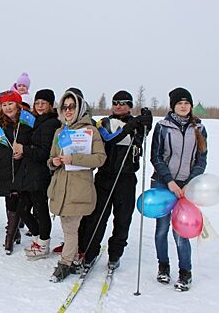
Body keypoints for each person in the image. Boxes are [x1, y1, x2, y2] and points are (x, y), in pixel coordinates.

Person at [78, 90, 152, 270]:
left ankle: (115, 254)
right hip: (105, 177)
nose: (118, 106)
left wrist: (146, 124)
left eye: (123, 102)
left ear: (129, 105)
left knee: (123, 219)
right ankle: (90, 252)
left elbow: (141, 137)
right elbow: (110, 138)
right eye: (115, 102)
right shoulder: (103, 122)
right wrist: (132, 125)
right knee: (96, 217)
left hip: (126, 178)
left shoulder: (137, 124)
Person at [151, 87, 207, 292]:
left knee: (181, 232)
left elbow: (202, 159)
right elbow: (155, 157)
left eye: (186, 103)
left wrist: (189, 183)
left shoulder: (199, 129)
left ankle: (185, 272)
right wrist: (170, 181)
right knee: (162, 229)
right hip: (163, 183)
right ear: (173, 106)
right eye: (179, 103)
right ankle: (163, 267)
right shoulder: (163, 126)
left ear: (190, 106)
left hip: (186, 187)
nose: (183, 106)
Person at [47, 90, 106, 282]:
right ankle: (72, 260)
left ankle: (65, 263)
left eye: (72, 106)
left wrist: (75, 158)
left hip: (78, 188)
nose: (68, 110)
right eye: (65, 107)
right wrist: (54, 162)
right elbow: (51, 158)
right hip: (60, 186)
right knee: (69, 228)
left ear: (79, 108)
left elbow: (100, 158)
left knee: (70, 228)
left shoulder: (90, 131)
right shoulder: (59, 131)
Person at [13, 89, 61, 259]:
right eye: (37, 103)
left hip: (40, 174)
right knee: (23, 210)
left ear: (50, 105)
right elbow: (26, 142)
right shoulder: (35, 121)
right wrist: (21, 150)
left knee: (40, 211)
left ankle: (43, 242)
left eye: (44, 103)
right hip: (28, 173)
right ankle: (37, 238)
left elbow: (45, 152)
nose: (40, 106)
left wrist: (24, 149)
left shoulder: (51, 123)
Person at [0, 90, 32, 254]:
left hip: (24, 168)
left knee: (21, 201)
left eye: (10, 104)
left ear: (18, 105)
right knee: (10, 200)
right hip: (5, 168)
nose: (7, 108)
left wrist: (25, 151)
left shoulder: (28, 122)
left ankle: (11, 234)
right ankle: (12, 234)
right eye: (4, 105)